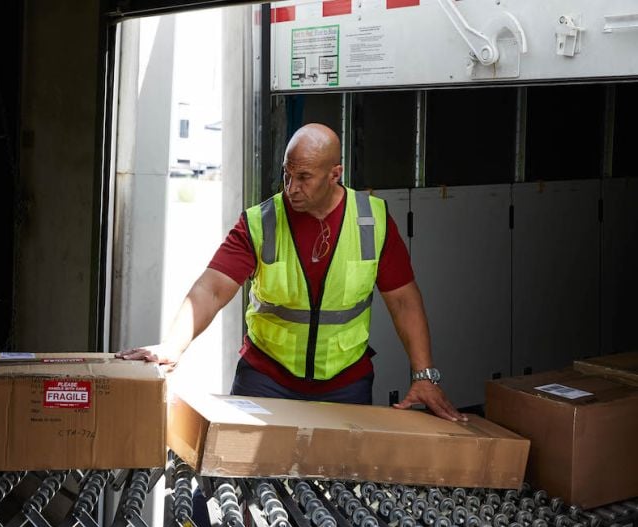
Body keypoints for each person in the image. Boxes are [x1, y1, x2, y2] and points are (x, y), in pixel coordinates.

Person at [119, 123, 465, 423]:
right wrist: (173, 346)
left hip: (345, 384)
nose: (291, 187)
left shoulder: (370, 221)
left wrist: (424, 374)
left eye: (303, 178)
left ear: (335, 174)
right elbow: (211, 288)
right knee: (249, 487)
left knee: (335, 494)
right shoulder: (261, 222)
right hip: (266, 378)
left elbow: (403, 299)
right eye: (287, 174)